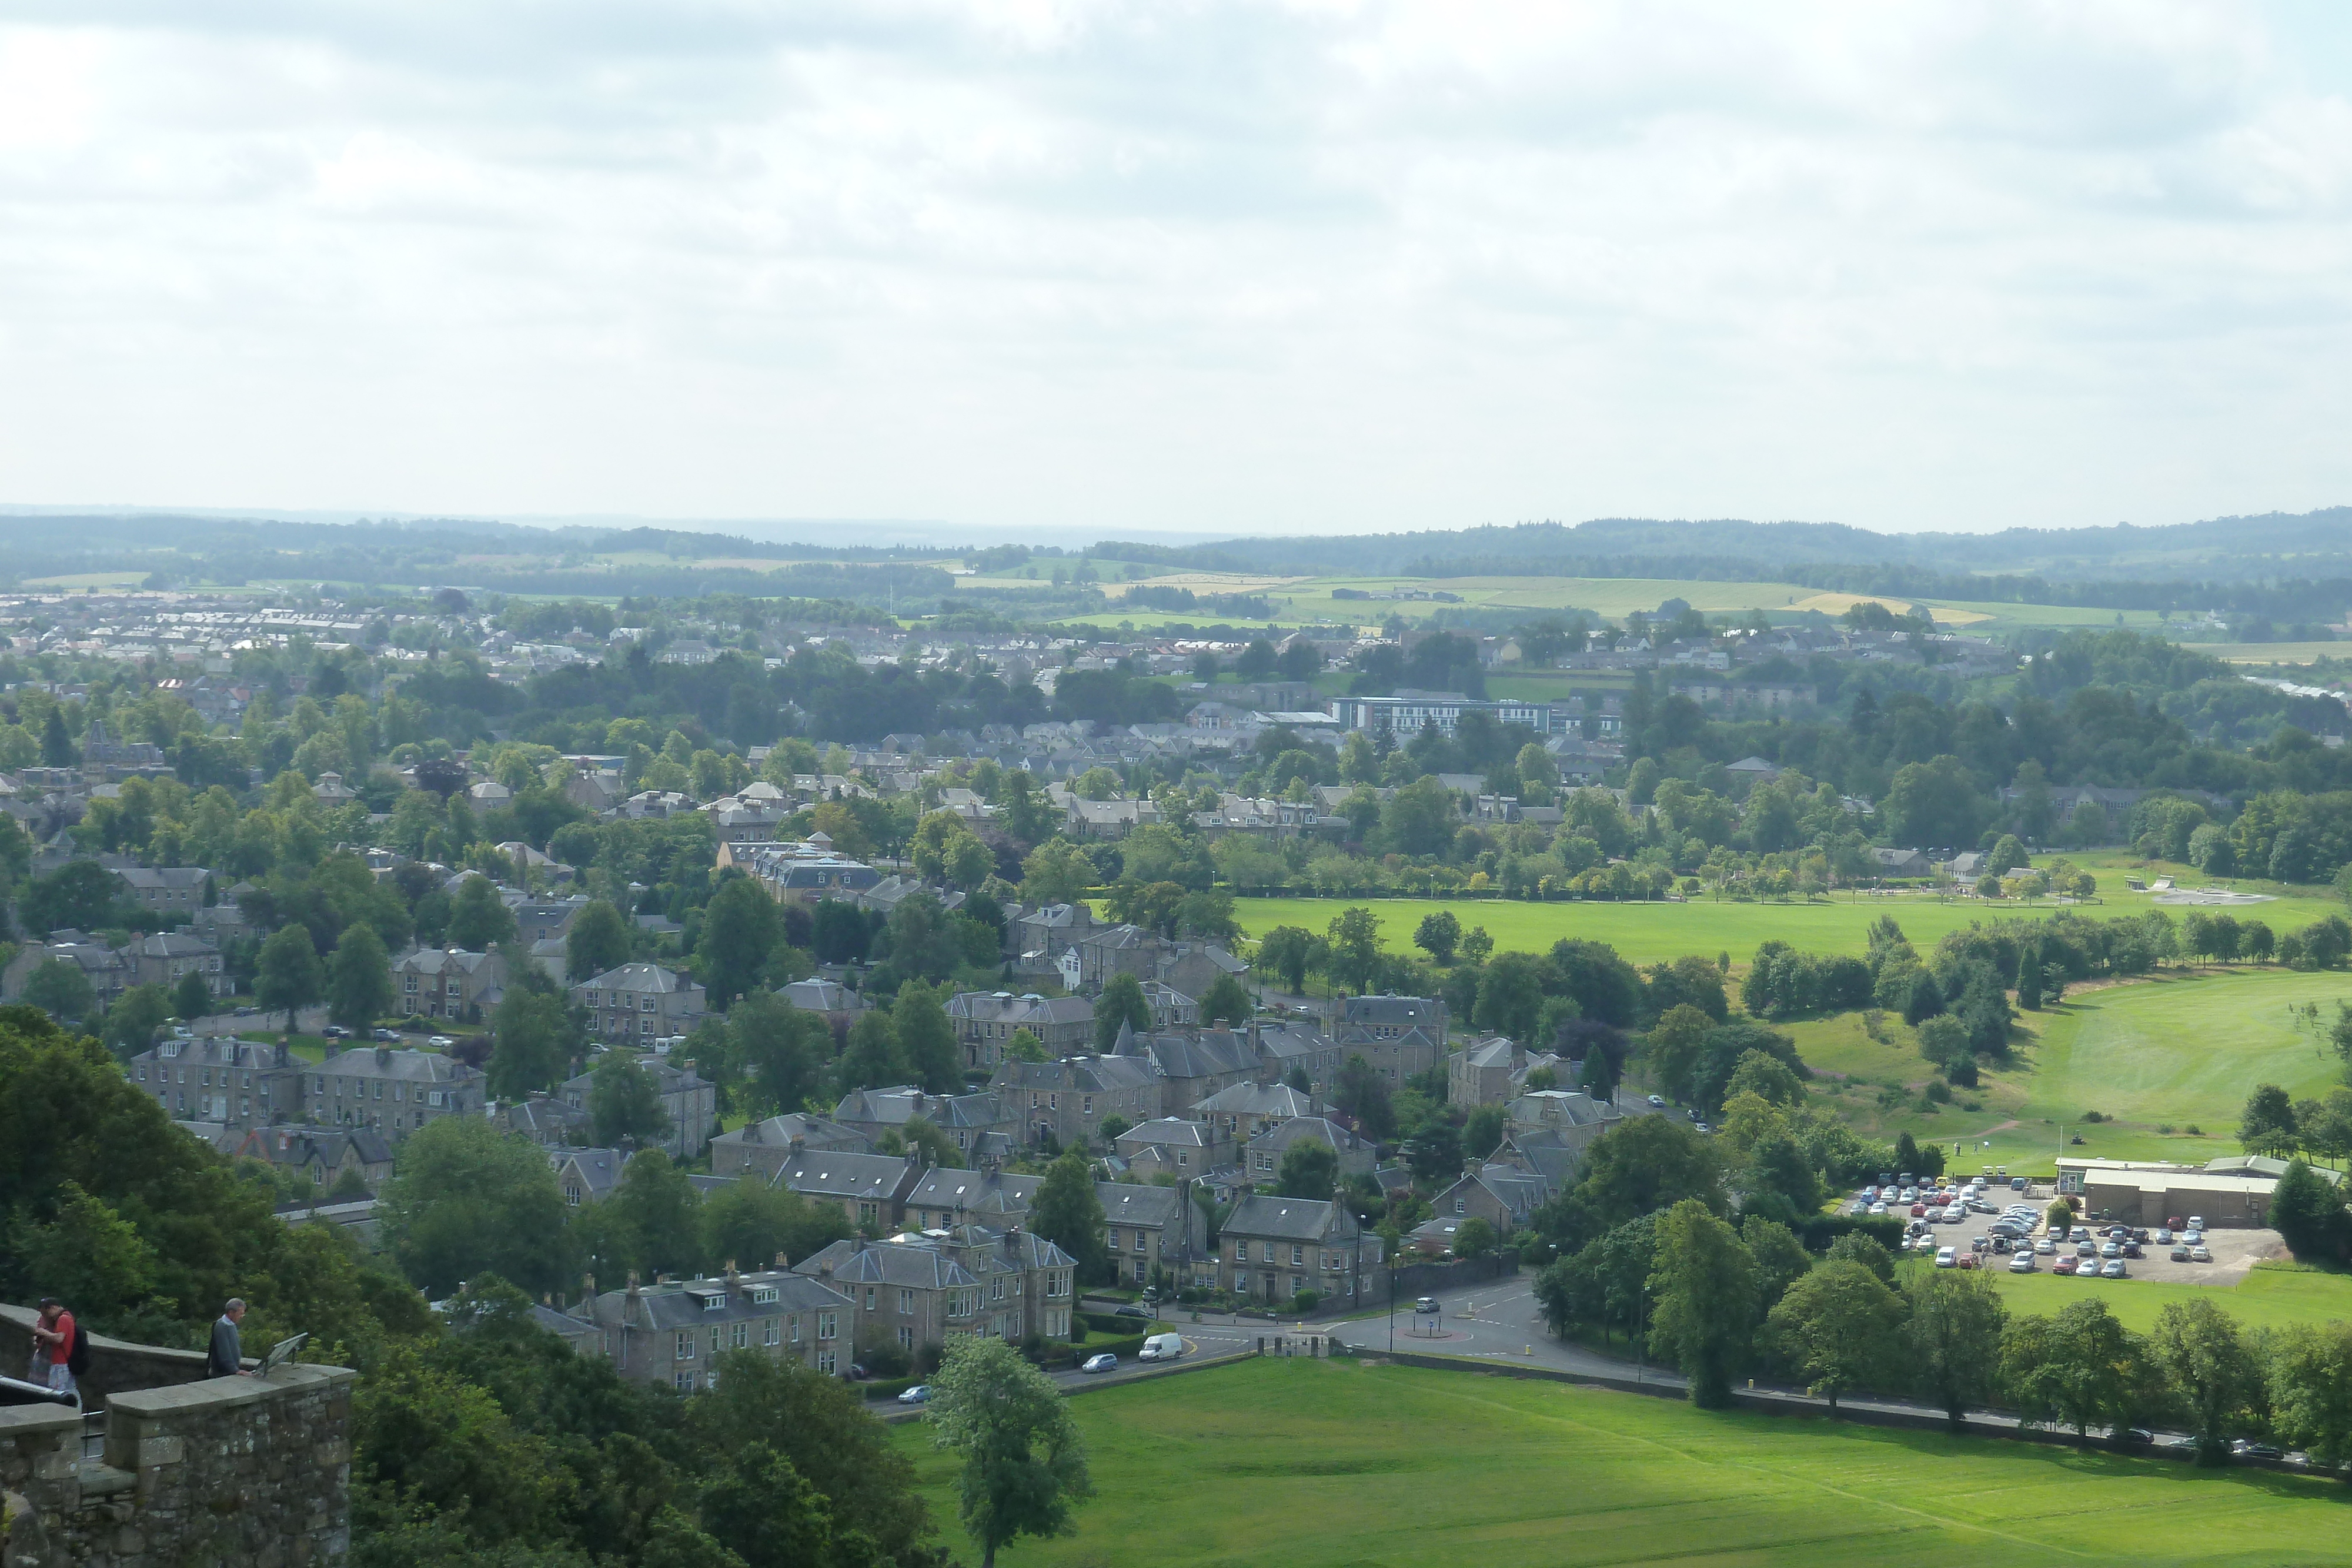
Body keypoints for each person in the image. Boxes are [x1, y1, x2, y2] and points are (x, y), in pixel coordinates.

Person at [28, 1298, 76, 1400]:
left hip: (61, 1363)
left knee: (58, 1392)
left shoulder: (64, 1319)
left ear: (53, 1308)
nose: (45, 1316)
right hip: (61, 1362)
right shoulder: (64, 1318)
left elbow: (59, 1338)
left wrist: (43, 1332)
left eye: (45, 1313)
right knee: (69, 1390)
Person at [208, 1298, 249, 1378]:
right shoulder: (222, 1326)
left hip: (228, 1372)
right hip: (221, 1374)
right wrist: (235, 1370)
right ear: (231, 1313)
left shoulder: (231, 1325)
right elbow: (224, 1352)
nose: (241, 1317)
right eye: (240, 1314)